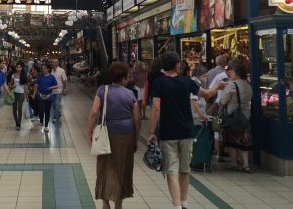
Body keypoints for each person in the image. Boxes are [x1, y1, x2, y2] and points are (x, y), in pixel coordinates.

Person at [148, 52, 226, 209]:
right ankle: (184, 203)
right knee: (185, 169)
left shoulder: (158, 82)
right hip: (186, 131)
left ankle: (176, 206)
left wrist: (151, 132)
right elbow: (207, 94)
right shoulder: (187, 82)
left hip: (168, 133)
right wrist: (218, 85)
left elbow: (156, 107)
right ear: (177, 65)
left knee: (171, 170)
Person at [87, 63, 140, 209]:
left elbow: (93, 113)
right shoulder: (130, 94)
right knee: (122, 167)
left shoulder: (102, 90)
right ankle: (118, 202)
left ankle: (105, 202)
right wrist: (135, 138)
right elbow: (137, 119)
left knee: (104, 167)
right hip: (125, 135)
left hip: (106, 134)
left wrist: (90, 132)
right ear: (123, 78)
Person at [221, 60, 253, 173]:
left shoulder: (232, 85)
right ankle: (246, 164)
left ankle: (233, 163)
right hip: (246, 116)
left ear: (237, 73)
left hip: (233, 117)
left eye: (232, 72)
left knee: (232, 141)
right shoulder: (248, 84)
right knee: (245, 142)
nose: (230, 74)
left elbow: (223, 101)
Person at [37, 63, 58, 133]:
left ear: (48, 69)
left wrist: (51, 87)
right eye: (42, 68)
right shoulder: (40, 76)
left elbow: (56, 85)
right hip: (40, 95)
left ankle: (46, 126)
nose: (43, 69)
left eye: (44, 68)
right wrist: (34, 93)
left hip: (49, 97)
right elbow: (37, 85)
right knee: (41, 109)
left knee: (47, 111)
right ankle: (41, 120)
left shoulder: (52, 77)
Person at [9, 61, 27, 130]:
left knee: (19, 109)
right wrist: (11, 86)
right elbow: (10, 84)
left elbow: (25, 86)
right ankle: (16, 122)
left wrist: (26, 96)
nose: (18, 68)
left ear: (22, 68)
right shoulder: (13, 75)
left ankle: (19, 124)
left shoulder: (24, 76)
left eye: (19, 67)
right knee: (14, 109)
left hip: (21, 94)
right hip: (14, 93)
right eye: (17, 67)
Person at [51, 58, 67, 123]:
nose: (52, 63)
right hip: (52, 90)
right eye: (52, 62)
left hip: (59, 90)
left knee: (57, 104)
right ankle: (59, 113)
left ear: (57, 63)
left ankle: (55, 117)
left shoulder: (61, 70)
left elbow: (64, 80)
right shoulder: (51, 71)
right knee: (54, 105)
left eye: (54, 62)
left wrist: (64, 89)